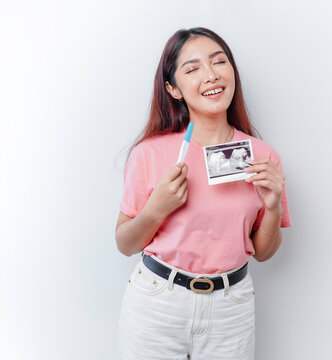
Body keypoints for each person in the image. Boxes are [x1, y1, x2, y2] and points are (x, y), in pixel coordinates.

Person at [116, 27, 292, 360]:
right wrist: (156, 210)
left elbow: (265, 252)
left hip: (231, 307)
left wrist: (271, 207)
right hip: (157, 303)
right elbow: (124, 243)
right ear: (173, 89)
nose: (211, 75)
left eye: (219, 62)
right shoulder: (149, 153)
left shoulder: (263, 155)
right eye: (192, 68)